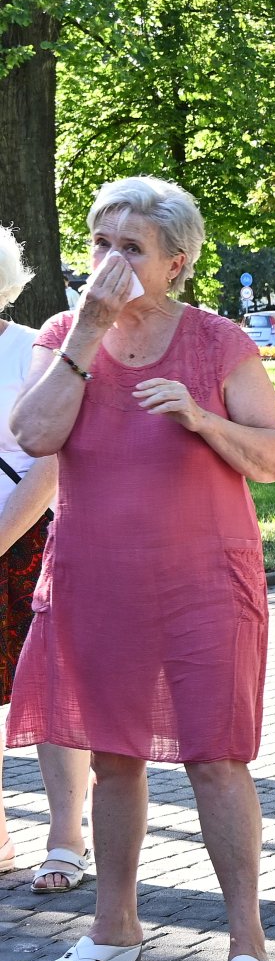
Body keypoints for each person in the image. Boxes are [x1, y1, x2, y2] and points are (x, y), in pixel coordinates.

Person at [8, 177, 275, 961]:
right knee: (112, 757)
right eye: (102, 245)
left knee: (216, 757)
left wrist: (204, 420)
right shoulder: (66, 334)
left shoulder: (217, 342)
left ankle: (247, 943)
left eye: (131, 248)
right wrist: (91, 330)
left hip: (206, 579)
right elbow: (32, 435)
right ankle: (114, 927)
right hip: (98, 575)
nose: (110, 262)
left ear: (177, 262)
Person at [0, 228, 95, 896]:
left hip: (32, 537)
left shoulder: (32, 348)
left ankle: (67, 837)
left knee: (51, 692)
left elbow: (52, 459)